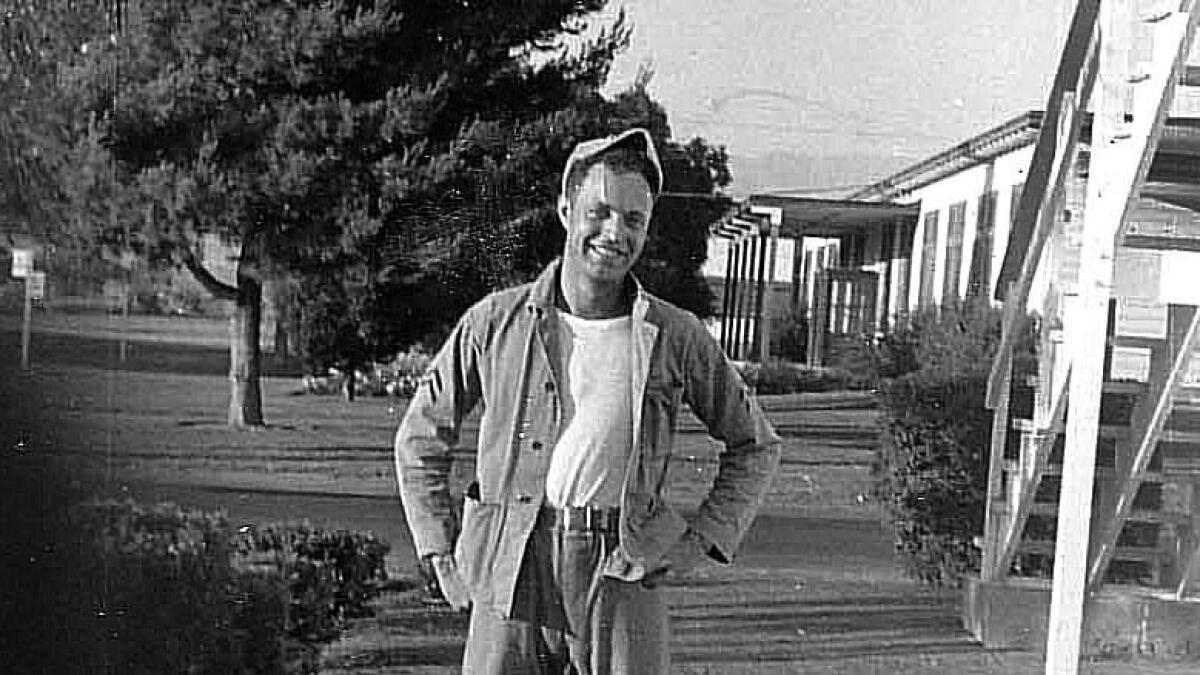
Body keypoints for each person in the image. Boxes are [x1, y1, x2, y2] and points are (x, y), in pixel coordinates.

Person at [394, 127, 781, 674]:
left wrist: (699, 542)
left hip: (623, 567)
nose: (613, 232)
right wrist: (439, 552)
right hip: (509, 564)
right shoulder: (494, 322)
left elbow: (755, 445)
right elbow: (419, 437)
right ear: (564, 209)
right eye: (598, 212)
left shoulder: (676, 334)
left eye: (633, 220)